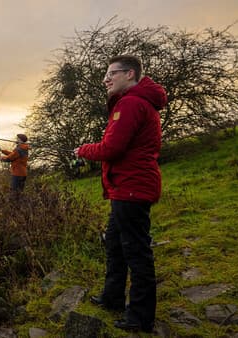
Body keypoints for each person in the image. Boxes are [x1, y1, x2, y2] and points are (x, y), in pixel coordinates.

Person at [74, 55, 167, 333]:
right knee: (115, 244)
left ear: (129, 74)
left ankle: (140, 318)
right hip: (125, 189)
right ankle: (112, 297)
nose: (105, 79)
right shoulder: (136, 102)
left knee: (137, 253)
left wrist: (82, 150)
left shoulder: (130, 103)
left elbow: (111, 148)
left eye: (111, 74)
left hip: (132, 189)